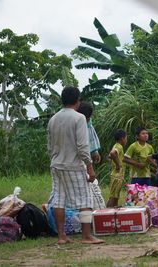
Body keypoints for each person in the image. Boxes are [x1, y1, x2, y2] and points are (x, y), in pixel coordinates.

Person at [47, 86, 104, 244]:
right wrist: (90, 168)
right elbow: (82, 147)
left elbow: (50, 146)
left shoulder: (53, 119)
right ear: (77, 101)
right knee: (86, 199)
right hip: (73, 165)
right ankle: (86, 236)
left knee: (59, 199)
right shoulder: (79, 118)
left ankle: (61, 236)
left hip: (56, 164)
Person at [77, 102, 105, 210]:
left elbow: (91, 136)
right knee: (90, 188)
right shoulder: (78, 124)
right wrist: (90, 167)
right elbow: (83, 147)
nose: (89, 120)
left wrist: (95, 151)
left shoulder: (88, 123)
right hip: (80, 161)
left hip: (85, 158)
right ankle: (97, 213)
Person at [106, 129, 128, 208]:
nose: (126, 140)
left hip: (116, 175)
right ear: (122, 138)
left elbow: (109, 156)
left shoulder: (115, 145)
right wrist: (118, 164)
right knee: (113, 197)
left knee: (115, 196)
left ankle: (113, 213)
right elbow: (112, 153)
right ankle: (108, 213)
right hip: (117, 175)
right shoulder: (119, 146)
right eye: (126, 138)